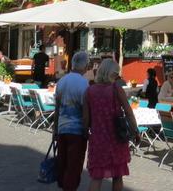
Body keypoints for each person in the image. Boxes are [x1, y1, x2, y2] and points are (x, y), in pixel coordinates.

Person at [83, 58, 140, 191]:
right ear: (112, 74)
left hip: (98, 139)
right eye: (116, 74)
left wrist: (86, 132)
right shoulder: (116, 89)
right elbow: (128, 112)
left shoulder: (89, 91)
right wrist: (135, 130)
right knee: (117, 175)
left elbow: (86, 118)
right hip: (116, 138)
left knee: (96, 177)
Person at [54, 51, 90, 191]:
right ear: (85, 66)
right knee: (74, 167)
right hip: (77, 131)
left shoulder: (62, 81)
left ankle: (64, 187)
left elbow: (57, 108)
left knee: (63, 164)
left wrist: (55, 130)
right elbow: (85, 111)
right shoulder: (84, 84)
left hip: (62, 128)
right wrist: (86, 130)